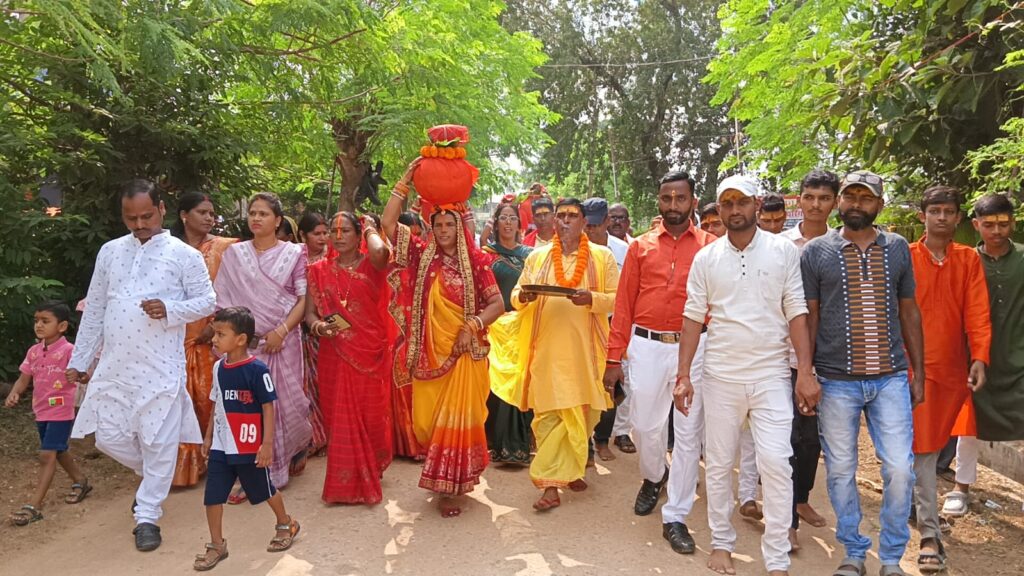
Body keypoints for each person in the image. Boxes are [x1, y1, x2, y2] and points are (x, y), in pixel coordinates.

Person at [673, 175, 816, 576]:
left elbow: (797, 312)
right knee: (718, 463)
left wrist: (805, 371)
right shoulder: (707, 258)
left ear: (756, 203)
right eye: (726, 203)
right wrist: (683, 375)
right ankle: (721, 542)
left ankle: (776, 556)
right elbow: (691, 318)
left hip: (771, 373)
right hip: (721, 373)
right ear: (718, 209)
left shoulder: (782, 251)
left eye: (741, 202)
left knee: (776, 461)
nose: (734, 210)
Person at [67, 179, 216, 551]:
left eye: (146, 216)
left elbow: (207, 302)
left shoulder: (184, 255)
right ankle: (153, 477)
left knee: (159, 442)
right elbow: (96, 308)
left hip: (161, 367)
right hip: (115, 367)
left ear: (162, 210)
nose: (138, 224)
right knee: (108, 438)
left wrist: (170, 309)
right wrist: (80, 359)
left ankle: (147, 515)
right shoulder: (110, 252)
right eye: (130, 217)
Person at [802, 170, 924, 576]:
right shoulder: (816, 251)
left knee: (899, 469)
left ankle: (890, 557)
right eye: (850, 196)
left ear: (879, 205)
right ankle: (854, 551)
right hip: (836, 380)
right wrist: (807, 372)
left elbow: (909, 309)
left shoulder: (898, 248)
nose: (857, 203)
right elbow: (811, 316)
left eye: (865, 198)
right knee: (839, 470)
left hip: (890, 377)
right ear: (840, 202)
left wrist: (918, 372)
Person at [382, 161, 505, 518]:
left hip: (464, 354)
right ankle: (442, 479)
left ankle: (452, 487)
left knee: (459, 421)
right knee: (426, 422)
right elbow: (388, 225)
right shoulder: (421, 256)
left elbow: (497, 303)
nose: (444, 229)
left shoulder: (479, 262)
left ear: (460, 226)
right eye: (438, 224)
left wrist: (472, 325)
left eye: (450, 223)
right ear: (431, 228)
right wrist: (404, 181)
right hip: (427, 356)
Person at [603, 171, 714, 554]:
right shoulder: (641, 247)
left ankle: (676, 515)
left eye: (680, 199)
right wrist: (613, 356)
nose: (673, 206)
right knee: (643, 427)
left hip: (695, 348)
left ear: (693, 203)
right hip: (646, 344)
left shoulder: (711, 246)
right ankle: (654, 476)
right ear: (659, 201)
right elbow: (623, 304)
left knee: (687, 433)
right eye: (666, 198)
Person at [512, 198, 619, 511]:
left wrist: (591, 298)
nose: (565, 221)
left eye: (572, 216)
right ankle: (550, 486)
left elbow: (616, 300)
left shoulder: (602, 257)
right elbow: (517, 295)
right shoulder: (538, 256)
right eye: (561, 216)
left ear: (584, 221)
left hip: (586, 353)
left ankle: (570, 468)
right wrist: (525, 295)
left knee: (585, 414)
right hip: (546, 350)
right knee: (548, 417)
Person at [907, 185, 991, 573]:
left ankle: (916, 506)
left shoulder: (968, 259)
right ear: (923, 215)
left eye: (948, 211)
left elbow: (977, 311)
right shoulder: (904, 257)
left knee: (934, 445)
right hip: (911, 369)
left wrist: (980, 357)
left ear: (959, 218)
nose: (941, 217)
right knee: (923, 449)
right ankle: (929, 534)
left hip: (953, 371)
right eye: (934, 210)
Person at [215, 193, 312, 495]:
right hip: (247, 344)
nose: (256, 218)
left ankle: (287, 456)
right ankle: (256, 473)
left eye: (263, 214)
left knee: (285, 404)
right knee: (248, 407)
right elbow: (224, 299)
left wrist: (280, 331)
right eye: (253, 213)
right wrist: (243, 338)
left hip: (283, 343)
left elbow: (302, 299)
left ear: (278, 221)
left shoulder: (295, 254)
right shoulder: (234, 255)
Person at [192, 307, 300, 571]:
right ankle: (217, 544)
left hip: (248, 446)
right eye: (215, 333)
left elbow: (268, 407)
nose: (214, 339)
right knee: (213, 496)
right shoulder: (218, 368)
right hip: (221, 444)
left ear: (240, 339)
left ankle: (285, 523)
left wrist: (266, 444)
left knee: (264, 490)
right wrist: (208, 437)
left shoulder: (257, 370)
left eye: (221, 334)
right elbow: (216, 404)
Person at [305, 212, 393, 504]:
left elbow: (381, 251)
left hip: (370, 352)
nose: (338, 236)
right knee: (338, 417)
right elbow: (309, 314)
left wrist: (371, 228)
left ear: (359, 235)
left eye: (346, 231)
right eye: (333, 230)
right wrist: (319, 327)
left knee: (371, 414)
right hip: (334, 353)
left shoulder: (372, 265)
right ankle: (345, 484)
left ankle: (371, 468)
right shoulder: (317, 270)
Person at [778, 169, 839, 549]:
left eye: (824, 198)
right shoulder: (780, 244)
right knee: (785, 435)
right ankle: (785, 519)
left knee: (812, 438)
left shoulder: (842, 244)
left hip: (827, 357)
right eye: (810, 197)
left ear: (834, 202)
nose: (816, 204)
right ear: (798, 200)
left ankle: (801, 500)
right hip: (780, 355)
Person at [170, 191, 238, 488]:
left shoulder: (225, 248)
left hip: (214, 336)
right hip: (174, 338)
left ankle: (221, 461)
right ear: (184, 215)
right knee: (180, 403)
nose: (209, 218)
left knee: (215, 400)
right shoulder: (167, 249)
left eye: (212, 213)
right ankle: (186, 466)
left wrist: (217, 326)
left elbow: (237, 287)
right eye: (202, 212)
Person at [5, 301, 91, 526]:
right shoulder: (34, 352)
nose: (39, 325)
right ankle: (81, 481)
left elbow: (85, 375)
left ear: (62, 326)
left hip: (62, 410)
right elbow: (24, 378)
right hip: (40, 410)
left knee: (47, 454)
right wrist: (14, 393)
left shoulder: (69, 350)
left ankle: (35, 505)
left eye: (45, 321)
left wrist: (79, 376)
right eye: (36, 321)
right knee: (59, 451)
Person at [482, 203, 534, 465]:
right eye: (503, 218)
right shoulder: (486, 255)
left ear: (520, 223)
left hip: (524, 327)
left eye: (513, 218)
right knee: (497, 385)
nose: (508, 223)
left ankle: (521, 446)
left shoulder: (532, 255)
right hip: (495, 328)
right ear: (496, 222)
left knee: (520, 381)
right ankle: (497, 445)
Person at [583, 197, 635, 461]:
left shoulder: (624, 250)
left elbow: (630, 292)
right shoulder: (575, 250)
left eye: (594, 225)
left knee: (611, 383)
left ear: (605, 222)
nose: (590, 230)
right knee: (583, 385)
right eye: (586, 225)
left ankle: (603, 439)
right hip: (582, 325)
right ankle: (586, 446)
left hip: (616, 325)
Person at [295, 212, 330, 459]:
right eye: (316, 234)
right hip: (300, 329)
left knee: (324, 382)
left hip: (328, 328)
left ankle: (328, 434)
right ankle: (314, 436)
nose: (323, 238)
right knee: (307, 384)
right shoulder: (294, 258)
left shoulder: (333, 257)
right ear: (302, 236)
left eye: (324, 233)